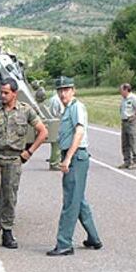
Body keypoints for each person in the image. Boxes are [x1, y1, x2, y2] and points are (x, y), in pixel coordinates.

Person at [0, 78, 48, 250]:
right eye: (2, 92)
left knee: (9, 197)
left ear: (15, 93)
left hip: (14, 160)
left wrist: (29, 152)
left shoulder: (25, 110)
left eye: (6, 92)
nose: (3, 95)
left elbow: (43, 132)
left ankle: (7, 232)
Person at [47, 76, 102, 257]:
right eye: (60, 90)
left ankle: (64, 243)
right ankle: (94, 238)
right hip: (74, 155)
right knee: (79, 199)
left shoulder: (77, 107)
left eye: (67, 89)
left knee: (70, 201)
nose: (63, 93)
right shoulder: (67, 109)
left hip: (76, 156)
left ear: (73, 90)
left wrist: (67, 158)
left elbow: (79, 131)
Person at [118, 83, 136, 170]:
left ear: (126, 90)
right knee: (125, 143)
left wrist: (134, 115)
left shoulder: (133, 98)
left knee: (133, 141)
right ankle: (127, 161)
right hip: (124, 122)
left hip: (131, 122)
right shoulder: (123, 99)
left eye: (121, 90)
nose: (120, 92)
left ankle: (135, 162)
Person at [48, 91, 64, 170]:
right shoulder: (56, 100)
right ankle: (55, 163)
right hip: (57, 122)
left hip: (55, 122)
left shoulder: (54, 99)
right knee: (57, 143)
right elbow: (55, 113)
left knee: (56, 143)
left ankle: (56, 160)